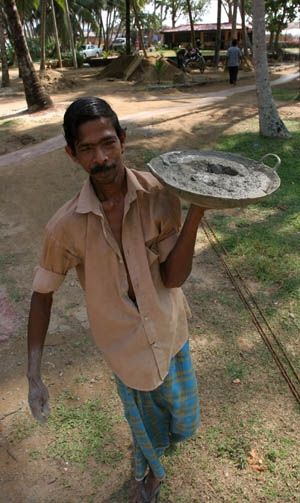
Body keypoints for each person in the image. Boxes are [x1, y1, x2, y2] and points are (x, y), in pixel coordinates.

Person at [27, 97, 206, 503]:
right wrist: (34, 375)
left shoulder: (159, 195)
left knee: (181, 418)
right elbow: (41, 296)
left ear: (123, 139)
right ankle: (150, 473)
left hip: (169, 329)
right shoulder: (64, 227)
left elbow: (173, 277)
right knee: (143, 425)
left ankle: (160, 453)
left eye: (108, 143)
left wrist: (196, 211)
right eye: (87, 149)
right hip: (124, 350)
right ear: (72, 154)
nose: (101, 158)